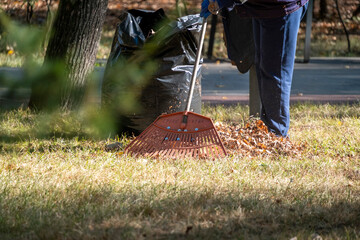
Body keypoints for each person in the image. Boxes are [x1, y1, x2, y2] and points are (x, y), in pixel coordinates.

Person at [201, 0, 309, 137]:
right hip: (262, 6)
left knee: (276, 72)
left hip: (281, 7)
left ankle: (277, 135)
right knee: (264, 67)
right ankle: (267, 129)